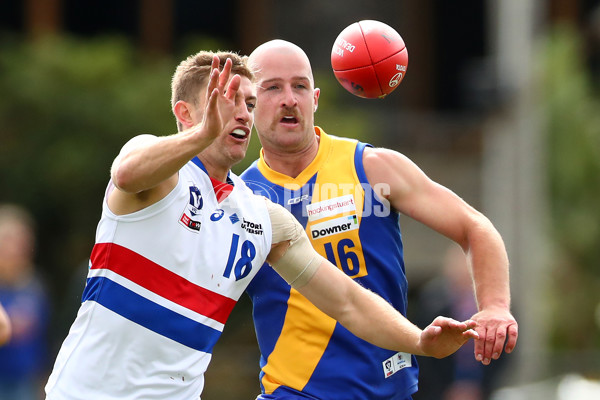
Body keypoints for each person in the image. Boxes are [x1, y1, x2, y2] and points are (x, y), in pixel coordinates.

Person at [44, 50, 479, 400]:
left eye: (249, 104)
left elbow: (348, 300)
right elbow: (126, 174)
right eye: (226, 99)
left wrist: (419, 342)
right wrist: (199, 137)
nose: (242, 114)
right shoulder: (156, 172)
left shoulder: (262, 216)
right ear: (184, 112)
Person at [241, 39, 519, 400]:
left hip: (388, 389)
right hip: (293, 392)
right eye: (273, 87)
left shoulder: (371, 167)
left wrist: (495, 306)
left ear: (316, 99)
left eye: (300, 86)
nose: (290, 99)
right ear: (248, 104)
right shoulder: (241, 200)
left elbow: (474, 226)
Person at [415, 244, 503, 400]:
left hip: (484, 391)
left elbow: (505, 351)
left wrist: (479, 388)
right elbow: (422, 351)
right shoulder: (431, 304)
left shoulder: (496, 307)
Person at [0, 203, 51, 400]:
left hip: (27, 384)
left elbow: (44, 339)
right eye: (8, 241)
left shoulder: (36, 286)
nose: (15, 249)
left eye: (21, 242)